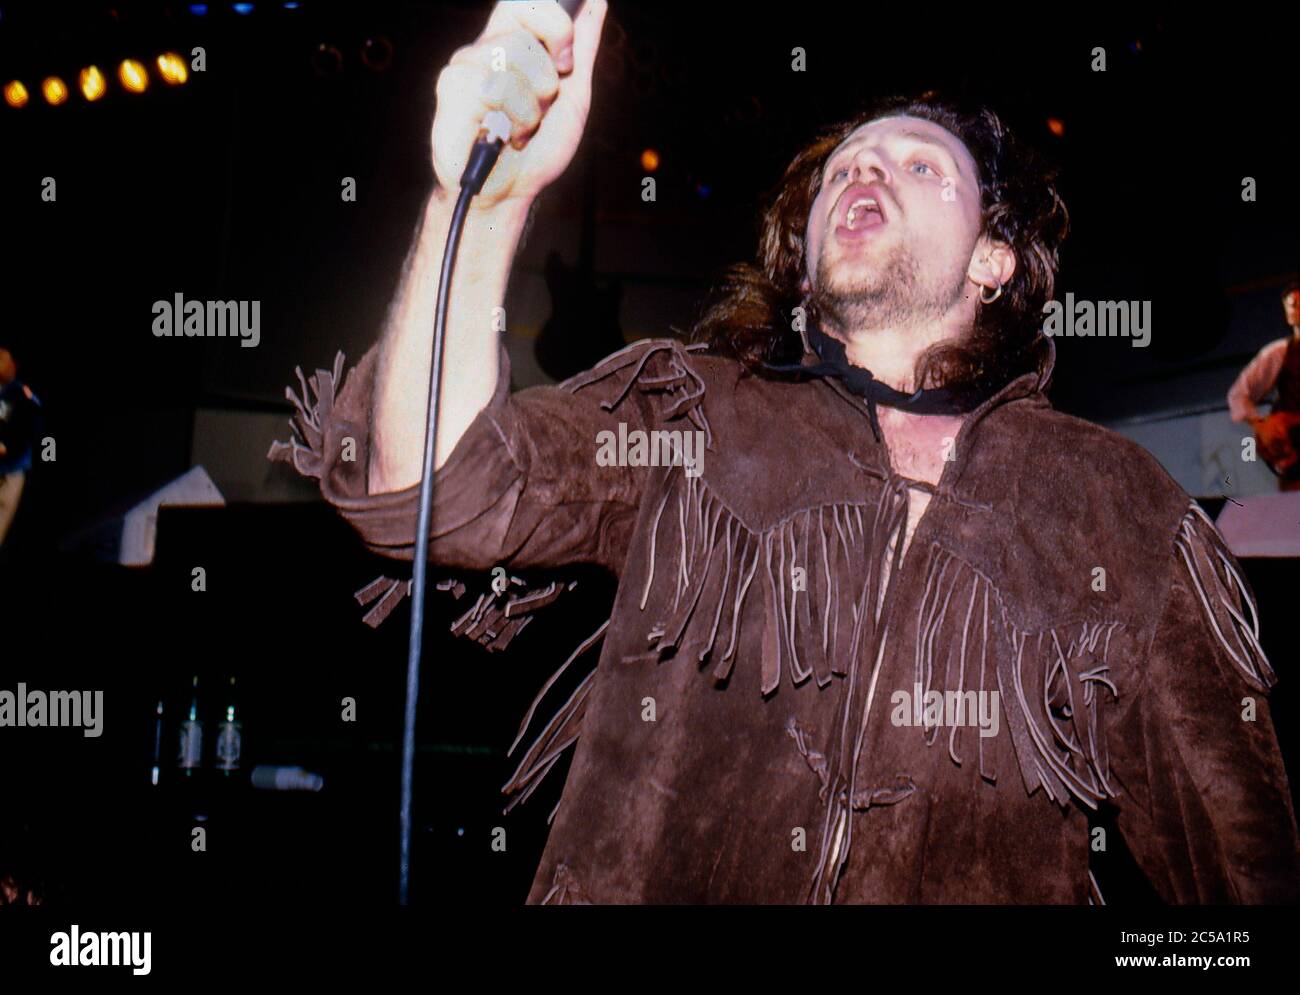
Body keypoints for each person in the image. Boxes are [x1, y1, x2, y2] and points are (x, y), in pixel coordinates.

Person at [270, 0, 1300, 903]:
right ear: (801, 270)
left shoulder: (1111, 501)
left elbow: (1243, 864)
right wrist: (479, 204)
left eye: (917, 163)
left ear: (994, 256)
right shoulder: (692, 414)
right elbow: (425, 487)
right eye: (845, 166)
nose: (865, 170)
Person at [1227, 279, 1300, 487]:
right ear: (1287, 313)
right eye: (1292, 305)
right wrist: (1261, 424)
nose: (1297, 309)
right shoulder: (1278, 352)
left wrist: (1289, 420)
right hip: (1293, 457)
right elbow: (1238, 394)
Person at [0, 344, 41, 548]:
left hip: (10, 472)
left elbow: (27, 434)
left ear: (13, 365)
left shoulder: (23, 396)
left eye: (1, 360)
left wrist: (6, 449)